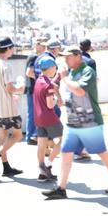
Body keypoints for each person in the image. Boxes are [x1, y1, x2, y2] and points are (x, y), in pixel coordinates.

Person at [41, 46, 108, 199]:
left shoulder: (87, 72)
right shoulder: (73, 72)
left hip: (89, 121)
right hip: (73, 121)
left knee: (101, 151)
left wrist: (64, 78)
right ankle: (61, 188)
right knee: (65, 153)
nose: (65, 59)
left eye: (68, 56)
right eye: (64, 57)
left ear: (78, 56)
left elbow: (79, 91)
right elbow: (70, 95)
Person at [0, 37, 25, 178]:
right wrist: (19, 89)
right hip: (7, 108)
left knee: (2, 137)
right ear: (9, 48)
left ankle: (6, 167)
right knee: (17, 135)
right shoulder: (6, 66)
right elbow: (9, 86)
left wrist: (9, 94)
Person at [33, 55, 63, 183]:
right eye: (54, 66)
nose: (55, 68)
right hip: (49, 118)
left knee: (41, 145)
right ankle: (47, 164)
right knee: (64, 141)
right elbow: (50, 104)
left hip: (38, 118)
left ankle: (42, 173)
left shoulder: (38, 81)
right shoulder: (49, 85)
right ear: (50, 68)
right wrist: (57, 100)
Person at [24, 36, 48, 145]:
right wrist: (41, 80)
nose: (43, 47)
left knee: (35, 113)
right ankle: (30, 137)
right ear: (36, 45)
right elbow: (29, 72)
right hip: (33, 89)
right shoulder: (34, 57)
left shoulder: (37, 56)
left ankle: (32, 136)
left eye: (44, 46)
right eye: (41, 45)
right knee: (33, 113)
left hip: (33, 89)